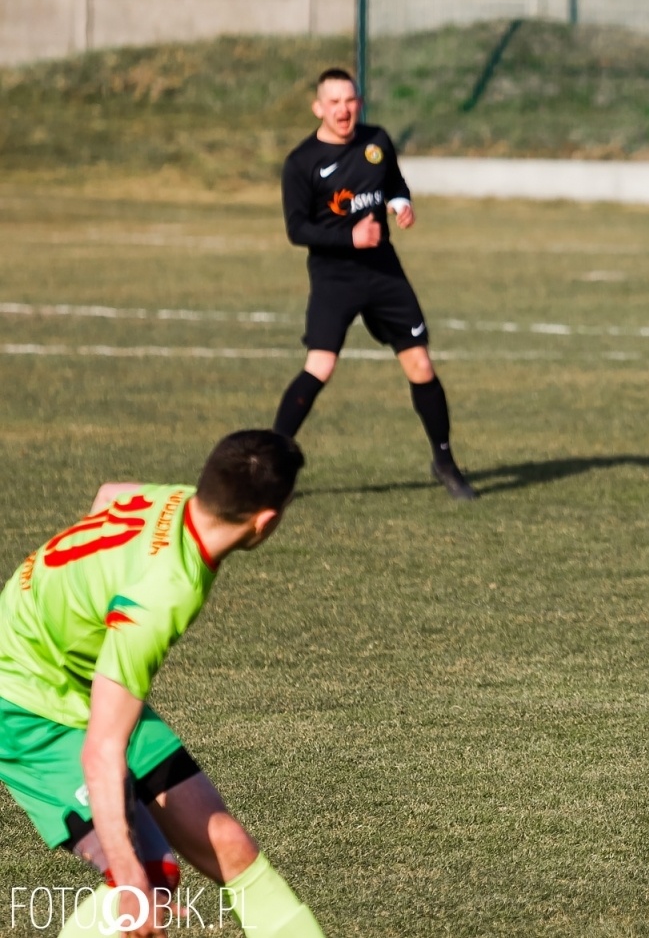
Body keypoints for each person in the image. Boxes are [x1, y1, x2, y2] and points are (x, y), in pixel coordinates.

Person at [0, 431, 326, 937]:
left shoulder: (177, 500)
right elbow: (102, 750)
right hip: (24, 702)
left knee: (230, 847)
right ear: (267, 521)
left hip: (79, 675)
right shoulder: (160, 597)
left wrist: (79, 597)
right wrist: (130, 879)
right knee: (145, 880)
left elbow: (111, 494)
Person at [272, 67, 476, 499]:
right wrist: (350, 236)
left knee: (420, 365)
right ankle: (273, 466)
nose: (343, 110)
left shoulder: (376, 142)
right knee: (320, 366)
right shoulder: (301, 163)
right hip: (334, 277)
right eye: (334, 102)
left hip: (383, 272)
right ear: (318, 108)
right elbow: (297, 230)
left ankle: (444, 461)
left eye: (350, 101)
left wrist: (402, 204)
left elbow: (393, 182)